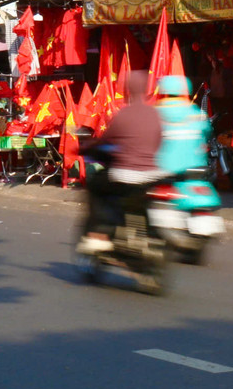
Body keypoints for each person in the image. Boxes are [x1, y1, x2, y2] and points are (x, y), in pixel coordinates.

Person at [78, 72, 165, 254]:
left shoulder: (124, 114)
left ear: (127, 91)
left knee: (96, 185)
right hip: (153, 175)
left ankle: (99, 234)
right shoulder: (155, 114)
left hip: (126, 174)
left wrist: (88, 147)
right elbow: (160, 142)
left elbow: (106, 141)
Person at [155, 74, 211, 177]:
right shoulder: (194, 112)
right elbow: (207, 131)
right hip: (194, 166)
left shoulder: (156, 112)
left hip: (164, 168)